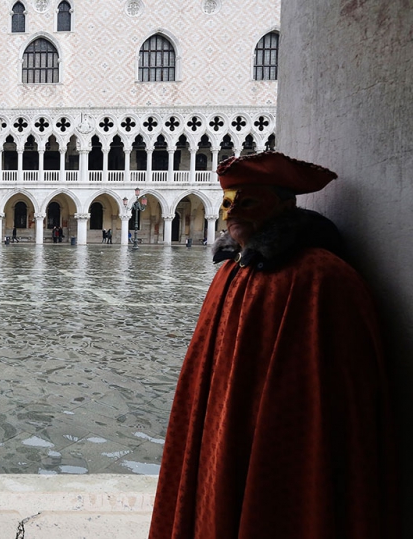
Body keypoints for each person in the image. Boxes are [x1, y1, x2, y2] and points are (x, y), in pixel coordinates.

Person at [149, 152, 398, 539]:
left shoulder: (320, 277)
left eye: (247, 202)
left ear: (284, 205)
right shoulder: (231, 273)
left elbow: (338, 392)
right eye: (228, 202)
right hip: (226, 431)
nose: (232, 213)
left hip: (284, 444)